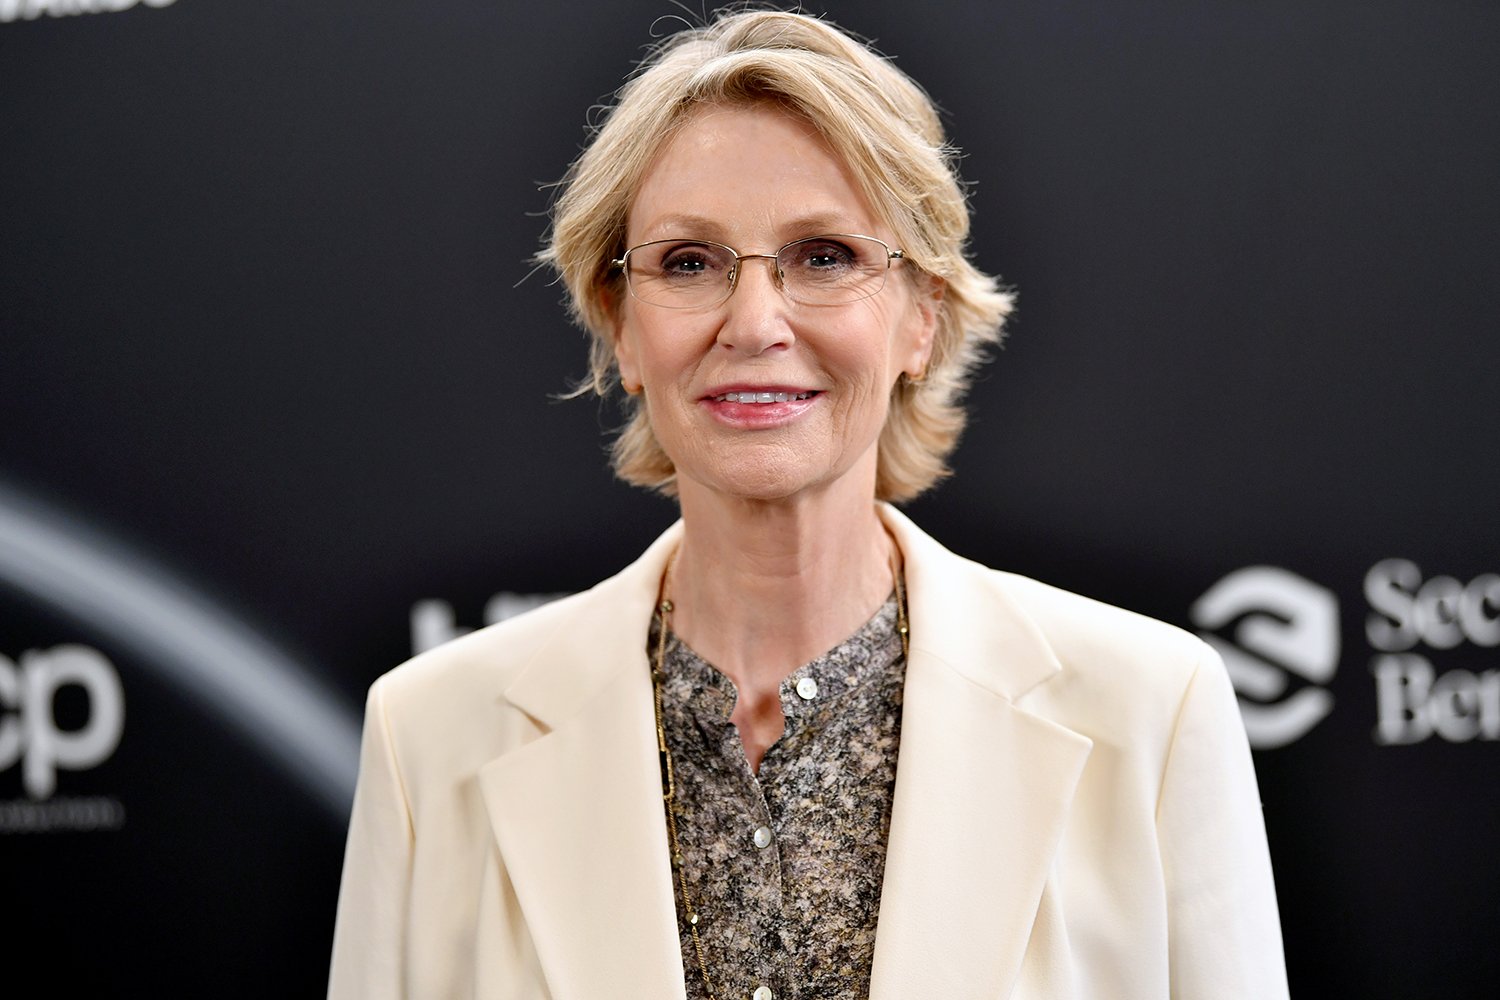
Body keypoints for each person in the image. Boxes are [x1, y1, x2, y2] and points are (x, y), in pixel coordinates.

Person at [327, 10, 1288, 1000]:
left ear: (923, 314)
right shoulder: (429, 738)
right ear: (619, 324)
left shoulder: (1150, 713)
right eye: (688, 262)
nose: (754, 322)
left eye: (824, 255)